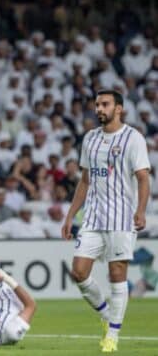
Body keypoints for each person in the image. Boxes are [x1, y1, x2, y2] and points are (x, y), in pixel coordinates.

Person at [61, 89, 151, 353]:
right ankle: (106, 315)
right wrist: (69, 216)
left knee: (117, 274)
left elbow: (144, 178)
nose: (99, 109)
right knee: (78, 272)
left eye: (105, 104)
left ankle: (112, 335)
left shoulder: (133, 138)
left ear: (118, 108)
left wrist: (141, 211)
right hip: (93, 217)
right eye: (97, 104)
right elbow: (86, 180)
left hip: (122, 218)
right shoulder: (90, 138)